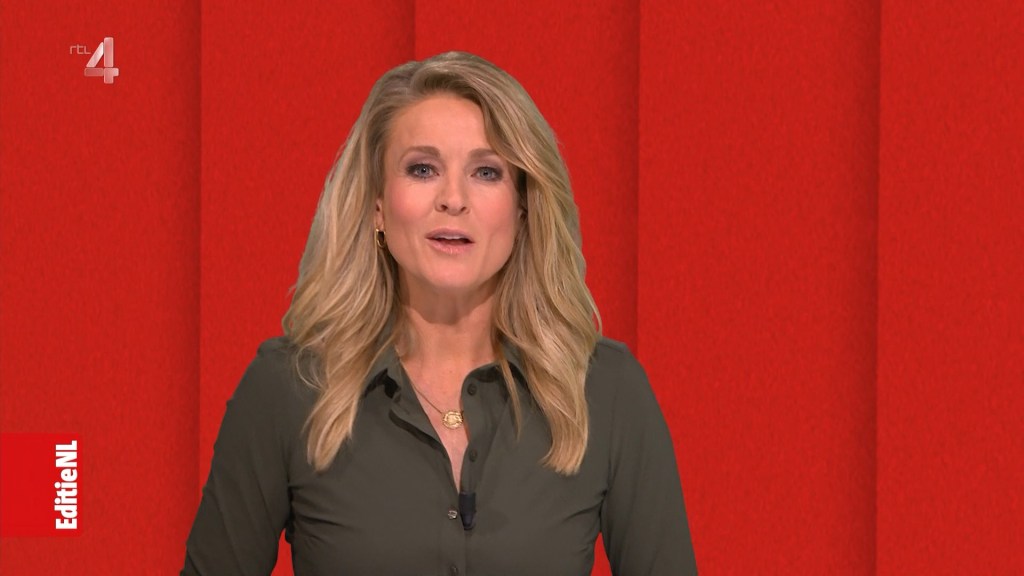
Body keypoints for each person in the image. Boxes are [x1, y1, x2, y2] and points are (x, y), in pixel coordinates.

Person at [182, 51, 697, 576]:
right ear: (378, 206)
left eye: (486, 172)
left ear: (523, 210)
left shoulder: (606, 391)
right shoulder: (289, 387)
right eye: (422, 169)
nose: (453, 198)